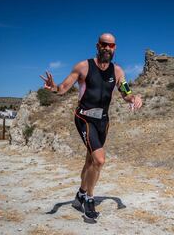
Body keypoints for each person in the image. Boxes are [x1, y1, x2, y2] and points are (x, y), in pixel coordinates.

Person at [40, 33, 142, 219]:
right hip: (84, 118)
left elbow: (126, 93)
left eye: (111, 45)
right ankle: (89, 199)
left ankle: (79, 194)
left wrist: (134, 97)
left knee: (91, 161)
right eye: (104, 44)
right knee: (100, 159)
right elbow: (63, 88)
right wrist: (53, 87)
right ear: (97, 46)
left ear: (115, 48)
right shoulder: (83, 66)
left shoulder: (118, 71)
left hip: (103, 121)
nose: (107, 48)